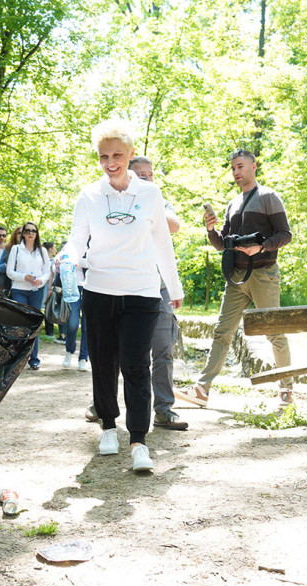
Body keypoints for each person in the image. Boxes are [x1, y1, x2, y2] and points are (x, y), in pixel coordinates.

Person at [62, 119, 182, 472]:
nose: (110, 162)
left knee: (135, 366)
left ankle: (139, 442)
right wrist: (68, 257)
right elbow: (76, 239)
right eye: (103, 156)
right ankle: (109, 427)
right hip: (99, 291)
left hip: (142, 293)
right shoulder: (89, 196)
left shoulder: (150, 194)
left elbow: (163, 243)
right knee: (103, 364)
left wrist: (173, 289)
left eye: (117, 154)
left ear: (130, 154)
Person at [174, 148, 293, 408]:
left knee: (273, 332)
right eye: (233, 169)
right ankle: (202, 389)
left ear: (254, 166)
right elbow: (221, 245)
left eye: (240, 166)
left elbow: (286, 234)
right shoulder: (233, 204)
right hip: (236, 278)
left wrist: (261, 248)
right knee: (222, 332)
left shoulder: (269, 197)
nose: (236, 172)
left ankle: (287, 389)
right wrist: (211, 229)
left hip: (264, 275)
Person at [129, 155, 187, 431]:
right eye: (138, 174)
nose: (145, 178)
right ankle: (102, 404)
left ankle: (164, 409)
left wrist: (146, 204)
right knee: (119, 351)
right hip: (124, 287)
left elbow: (174, 225)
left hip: (160, 288)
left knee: (163, 349)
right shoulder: (116, 201)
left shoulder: (159, 201)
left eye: (149, 175)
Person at [6, 221, 50, 370]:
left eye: (34, 231)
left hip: (36, 291)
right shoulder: (16, 249)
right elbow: (9, 272)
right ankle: (18, 358)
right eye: (28, 230)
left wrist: (41, 280)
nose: (31, 233)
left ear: (36, 234)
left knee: (34, 324)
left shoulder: (42, 251)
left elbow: (47, 272)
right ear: (23, 233)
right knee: (22, 323)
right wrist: (24, 277)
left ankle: (34, 358)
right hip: (19, 290)